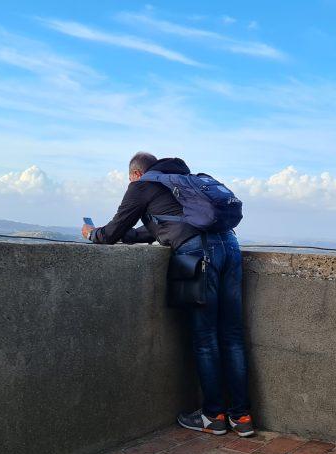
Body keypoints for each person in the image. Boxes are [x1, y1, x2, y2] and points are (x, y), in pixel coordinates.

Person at [82, 152, 254, 437]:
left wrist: (92, 233)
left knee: (206, 339)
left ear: (136, 173)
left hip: (200, 255)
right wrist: (129, 234)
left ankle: (214, 416)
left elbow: (112, 232)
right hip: (230, 250)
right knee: (232, 336)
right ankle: (242, 416)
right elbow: (158, 228)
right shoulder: (183, 181)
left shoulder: (141, 185)